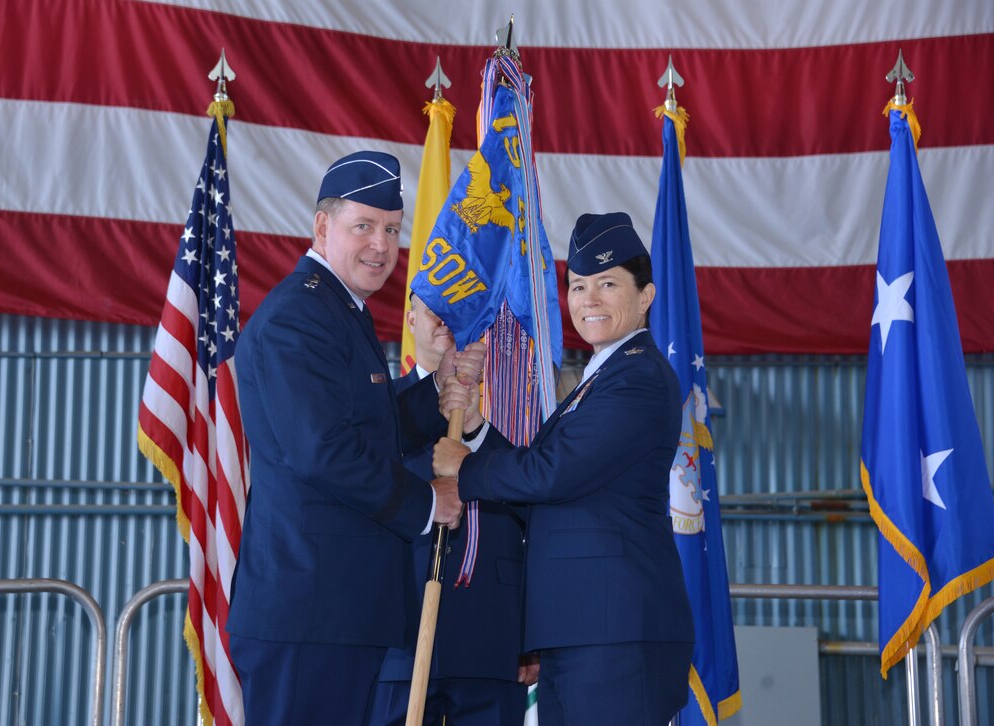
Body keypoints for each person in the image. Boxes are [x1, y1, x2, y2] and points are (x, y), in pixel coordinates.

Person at [228, 150, 480, 724]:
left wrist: (433, 385)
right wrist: (426, 503)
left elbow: (369, 429)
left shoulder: (340, 309)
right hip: (310, 614)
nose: (381, 245)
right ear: (322, 225)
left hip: (336, 613)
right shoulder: (302, 314)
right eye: (363, 226)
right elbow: (323, 450)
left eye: (391, 229)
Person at [434, 212, 695, 726]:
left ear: (646, 296)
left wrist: (465, 470)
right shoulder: (603, 376)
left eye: (607, 284)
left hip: (615, 631)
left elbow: (554, 472)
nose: (589, 299)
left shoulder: (637, 376)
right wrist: (480, 431)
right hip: (585, 626)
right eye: (577, 286)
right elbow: (562, 482)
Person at [368, 290, 529, 726]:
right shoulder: (377, 412)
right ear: (410, 320)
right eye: (432, 309)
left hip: (491, 640)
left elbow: (535, 511)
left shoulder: (514, 409)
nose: (444, 321)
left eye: (458, 311)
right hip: (397, 641)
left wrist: (532, 636)